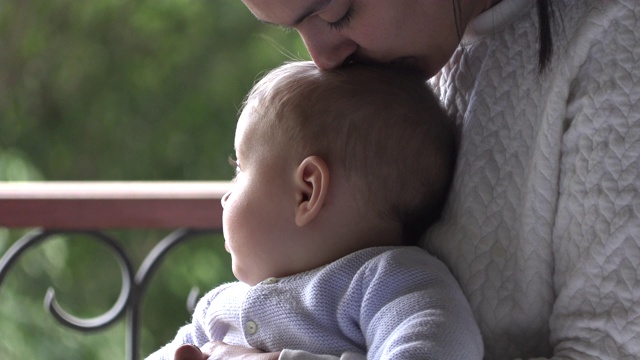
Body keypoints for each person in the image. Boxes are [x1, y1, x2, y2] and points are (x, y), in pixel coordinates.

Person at [178, 0, 640, 359]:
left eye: (338, 13)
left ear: (309, 189)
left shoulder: (613, 38)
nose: (321, 58)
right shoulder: (398, 76)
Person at [149, 61, 483, 360]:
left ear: (306, 191)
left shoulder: (390, 282)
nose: (226, 197)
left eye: (239, 168)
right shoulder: (220, 309)